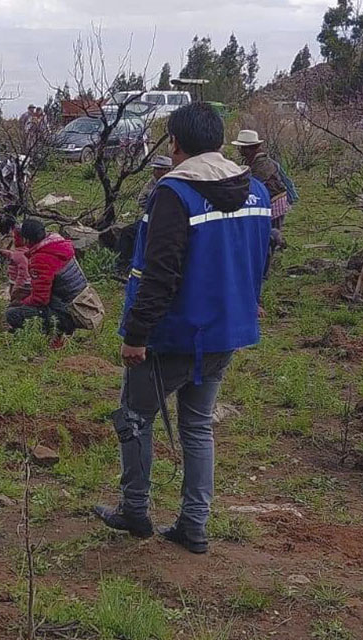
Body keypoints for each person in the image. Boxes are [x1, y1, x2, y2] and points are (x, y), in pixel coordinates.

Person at [95, 102, 271, 554]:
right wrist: (252, 301)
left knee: (134, 417)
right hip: (226, 331)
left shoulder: (174, 193)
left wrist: (136, 335)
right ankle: (194, 525)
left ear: (175, 143)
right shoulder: (256, 192)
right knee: (197, 425)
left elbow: (159, 274)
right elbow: (259, 257)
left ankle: (135, 509)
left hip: (174, 335)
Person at [4, 218, 88, 340]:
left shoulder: (41, 259)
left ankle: (52, 334)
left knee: (13, 314)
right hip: (78, 305)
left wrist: (21, 303)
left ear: (27, 240)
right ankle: (59, 329)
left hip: (66, 313)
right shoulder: (57, 246)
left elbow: (40, 299)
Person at [232, 130, 291, 229]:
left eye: (242, 148)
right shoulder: (252, 161)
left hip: (275, 201)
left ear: (250, 149)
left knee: (272, 232)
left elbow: (254, 184)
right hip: (266, 199)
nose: (240, 150)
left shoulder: (263, 165)